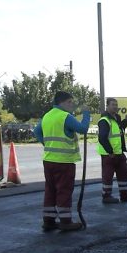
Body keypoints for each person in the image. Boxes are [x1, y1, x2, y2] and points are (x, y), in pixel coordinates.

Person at [33, 91, 91, 232]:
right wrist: (86, 115)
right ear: (62, 102)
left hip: (48, 160)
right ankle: (65, 221)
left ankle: (48, 221)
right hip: (64, 161)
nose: (72, 105)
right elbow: (83, 129)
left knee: (50, 190)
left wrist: (46, 145)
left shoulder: (47, 116)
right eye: (70, 102)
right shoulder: (65, 116)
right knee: (64, 190)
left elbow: (36, 131)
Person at [97, 97, 127, 204]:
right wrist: (110, 151)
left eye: (116, 104)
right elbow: (102, 137)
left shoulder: (117, 118)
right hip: (108, 154)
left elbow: (120, 130)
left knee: (124, 172)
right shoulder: (104, 120)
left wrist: (125, 120)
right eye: (113, 104)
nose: (115, 106)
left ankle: (124, 195)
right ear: (107, 106)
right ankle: (106, 196)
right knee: (108, 176)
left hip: (119, 153)